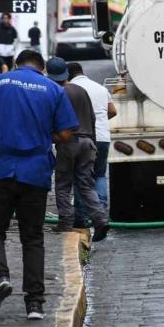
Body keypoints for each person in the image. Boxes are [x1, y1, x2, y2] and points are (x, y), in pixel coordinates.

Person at [0, 49, 80, 321]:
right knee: (32, 238)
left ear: (17, 64)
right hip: (35, 172)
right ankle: (35, 303)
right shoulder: (53, 89)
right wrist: (44, 134)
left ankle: (0, 277)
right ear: (42, 68)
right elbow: (67, 133)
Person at [46, 58, 110, 235]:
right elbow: (92, 118)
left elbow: (52, 120)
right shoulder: (81, 90)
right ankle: (100, 218)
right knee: (86, 184)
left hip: (68, 143)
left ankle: (66, 222)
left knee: (63, 184)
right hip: (88, 142)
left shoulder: (55, 92)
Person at [67, 62, 116, 226]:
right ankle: (101, 211)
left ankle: (81, 217)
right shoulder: (100, 88)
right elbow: (112, 111)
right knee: (100, 175)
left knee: (81, 177)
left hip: (82, 136)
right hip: (102, 137)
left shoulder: (70, 89)